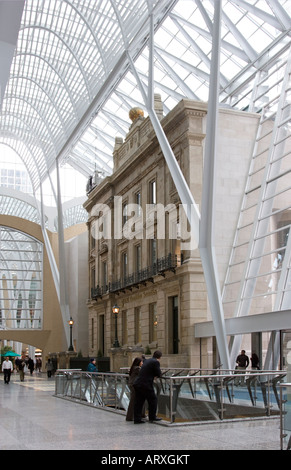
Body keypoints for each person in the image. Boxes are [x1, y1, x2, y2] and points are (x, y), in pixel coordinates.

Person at [133, 350, 162, 424]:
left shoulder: (147, 361)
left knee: (139, 402)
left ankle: (137, 419)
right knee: (153, 399)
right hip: (145, 384)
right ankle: (152, 417)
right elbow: (159, 373)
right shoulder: (155, 362)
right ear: (159, 357)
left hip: (138, 383)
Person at [126, 357, 143, 421]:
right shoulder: (137, 368)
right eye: (141, 362)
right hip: (134, 385)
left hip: (132, 384)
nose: (142, 363)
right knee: (133, 401)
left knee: (135, 400)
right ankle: (130, 417)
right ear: (138, 362)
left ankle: (138, 415)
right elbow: (143, 374)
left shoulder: (133, 368)